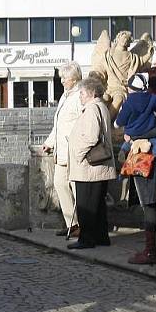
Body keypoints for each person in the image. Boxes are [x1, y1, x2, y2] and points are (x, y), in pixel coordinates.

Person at [122, 67, 156, 265]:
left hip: (149, 158)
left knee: (150, 203)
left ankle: (151, 250)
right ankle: (151, 248)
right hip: (146, 156)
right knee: (148, 203)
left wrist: (132, 136)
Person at [67, 76, 117, 250]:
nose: (80, 96)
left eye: (81, 92)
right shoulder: (101, 106)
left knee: (86, 204)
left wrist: (78, 154)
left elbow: (90, 136)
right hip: (98, 167)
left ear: (91, 92)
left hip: (89, 167)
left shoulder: (92, 109)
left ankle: (86, 239)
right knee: (98, 204)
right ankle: (101, 237)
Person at [42, 62, 84, 238]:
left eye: (64, 78)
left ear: (74, 79)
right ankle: (72, 224)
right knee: (59, 183)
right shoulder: (65, 96)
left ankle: (83, 225)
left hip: (73, 150)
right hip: (61, 150)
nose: (62, 81)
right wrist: (49, 142)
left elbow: (83, 122)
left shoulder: (79, 96)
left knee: (76, 188)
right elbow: (58, 125)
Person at [115, 72, 156, 171]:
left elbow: (123, 116)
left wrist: (117, 123)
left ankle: (123, 151)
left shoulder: (129, 102)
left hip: (132, 131)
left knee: (128, 142)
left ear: (132, 88)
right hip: (149, 128)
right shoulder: (153, 97)